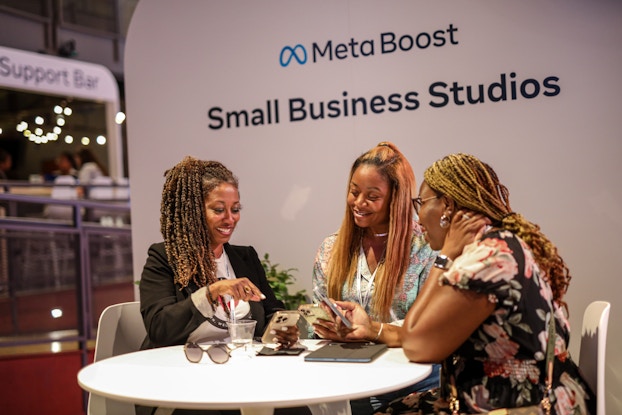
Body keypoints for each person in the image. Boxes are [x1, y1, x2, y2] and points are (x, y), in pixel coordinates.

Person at [337, 153, 595, 415]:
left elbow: (418, 347)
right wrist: (371, 328)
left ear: (447, 207)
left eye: (421, 203)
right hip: (518, 394)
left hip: (522, 404)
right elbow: (420, 333)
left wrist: (444, 257)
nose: (418, 215)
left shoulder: (488, 260)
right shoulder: (495, 245)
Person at [138, 156, 308, 415]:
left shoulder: (245, 257)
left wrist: (282, 329)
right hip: (183, 379)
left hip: (243, 373)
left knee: (294, 408)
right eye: (219, 210)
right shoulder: (164, 258)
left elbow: (271, 311)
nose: (230, 219)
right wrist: (211, 292)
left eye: (235, 209)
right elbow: (160, 327)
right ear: (194, 213)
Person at [311, 142, 440, 414]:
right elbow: (318, 310)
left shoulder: (426, 248)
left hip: (412, 387)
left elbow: (430, 328)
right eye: (354, 192)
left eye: (372, 196)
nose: (359, 203)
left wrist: (372, 329)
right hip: (349, 386)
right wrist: (323, 325)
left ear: (396, 198)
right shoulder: (330, 248)